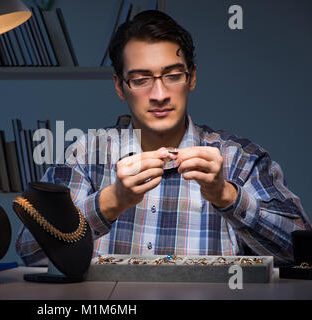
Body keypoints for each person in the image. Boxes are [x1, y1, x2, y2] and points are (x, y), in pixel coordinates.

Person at [16, 10, 311, 267]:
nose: (159, 95)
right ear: (120, 86)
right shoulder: (85, 154)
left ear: (192, 78)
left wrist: (227, 196)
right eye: (141, 79)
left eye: (172, 75)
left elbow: (300, 253)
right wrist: (110, 202)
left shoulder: (241, 159)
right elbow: (30, 251)